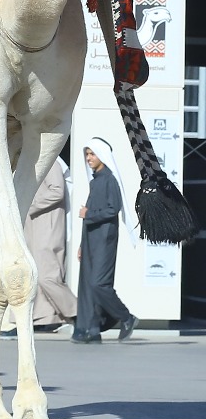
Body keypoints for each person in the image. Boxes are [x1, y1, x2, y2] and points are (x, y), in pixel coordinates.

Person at [73, 136, 137, 344]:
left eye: (92, 154)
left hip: (104, 240)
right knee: (87, 285)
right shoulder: (96, 180)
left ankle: (126, 317)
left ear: (103, 156)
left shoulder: (109, 180)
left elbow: (112, 209)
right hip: (91, 240)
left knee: (99, 284)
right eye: (87, 154)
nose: (89, 158)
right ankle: (91, 329)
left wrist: (88, 213)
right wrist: (83, 244)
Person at [5, 156, 77, 336]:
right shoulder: (30, 163)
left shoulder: (50, 163)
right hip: (34, 228)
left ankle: (80, 314)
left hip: (48, 227)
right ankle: (40, 320)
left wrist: (30, 203)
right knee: (31, 276)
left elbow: (57, 191)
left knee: (47, 276)